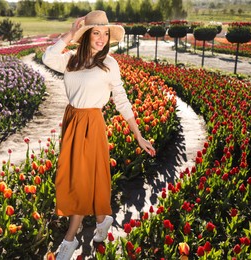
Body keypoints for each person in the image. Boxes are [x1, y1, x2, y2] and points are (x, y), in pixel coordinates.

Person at [42, 10, 155, 260]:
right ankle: (102, 220)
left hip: (92, 124)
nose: (102, 38)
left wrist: (138, 135)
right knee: (75, 178)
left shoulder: (110, 65)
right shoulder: (70, 60)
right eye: (96, 33)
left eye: (105, 33)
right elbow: (48, 57)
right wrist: (70, 33)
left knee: (83, 180)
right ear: (85, 36)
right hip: (72, 122)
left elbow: (122, 100)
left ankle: (69, 239)